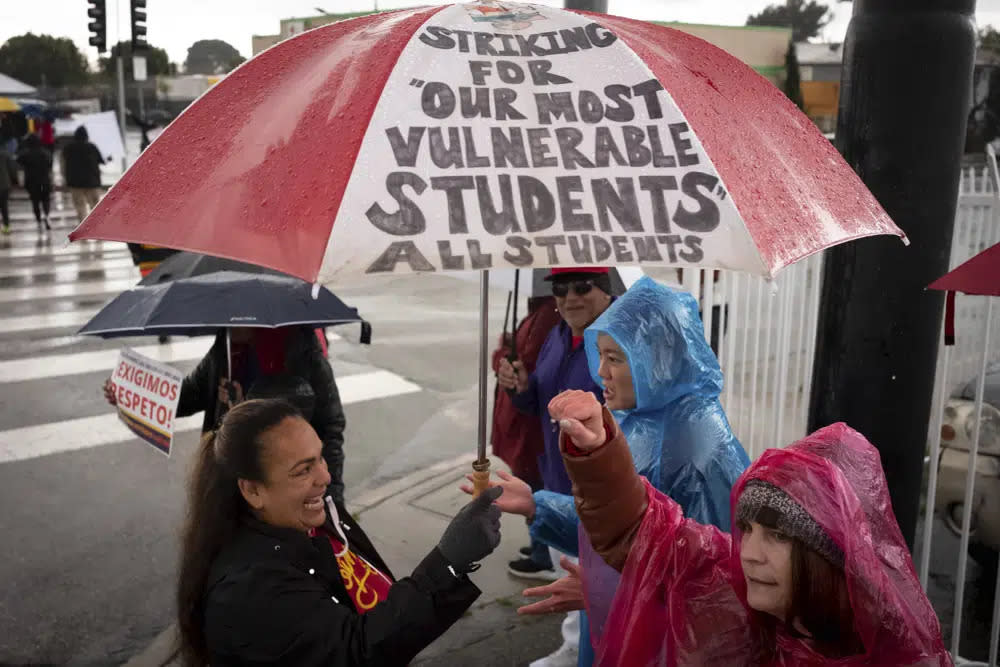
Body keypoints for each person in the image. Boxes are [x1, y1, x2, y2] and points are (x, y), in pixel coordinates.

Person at [548, 390, 951, 666]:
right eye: (748, 529)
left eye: (778, 535)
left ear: (830, 552)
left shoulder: (897, 648)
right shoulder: (731, 584)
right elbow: (648, 532)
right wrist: (598, 452)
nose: (751, 553)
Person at [468, 277, 749, 664]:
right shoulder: (639, 420)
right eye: (600, 355)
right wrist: (537, 505)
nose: (601, 372)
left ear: (657, 357)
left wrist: (606, 592)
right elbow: (615, 527)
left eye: (615, 358)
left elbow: (713, 586)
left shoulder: (699, 451)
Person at [176, 398, 503, 666]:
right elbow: (354, 651)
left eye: (319, 458)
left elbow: (380, 617)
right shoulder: (249, 590)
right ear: (252, 490)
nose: (325, 477)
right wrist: (448, 562)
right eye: (303, 470)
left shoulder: (314, 520)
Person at [496, 266, 613, 667]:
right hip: (558, 476)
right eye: (561, 289)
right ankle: (575, 645)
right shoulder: (558, 335)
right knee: (577, 572)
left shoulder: (617, 340)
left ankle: (588, 650)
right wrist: (520, 387)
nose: (569, 298)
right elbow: (540, 405)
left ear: (606, 289)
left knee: (597, 577)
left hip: (598, 485)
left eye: (582, 287)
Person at [103, 326, 348, 503]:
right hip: (227, 485)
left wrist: (332, 496)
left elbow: (330, 427)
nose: (229, 323)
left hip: (282, 492)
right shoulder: (225, 348)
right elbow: (188, 394)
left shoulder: (303, 353)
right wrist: (129, 393)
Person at [490, 293, 562, 578]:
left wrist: (502, 353)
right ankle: (540, 548)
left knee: (535, 486)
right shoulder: (543, 311)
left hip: (529, 426)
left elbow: (525, 363)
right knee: (534, 483)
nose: (570, 296)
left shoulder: (549, 313)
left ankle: (544, 556)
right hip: (525, 420)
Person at [61, 125, 104, 223]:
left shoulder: (68, 148)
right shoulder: (92, 147)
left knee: (80, 206)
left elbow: (63, 162)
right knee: (95, 205)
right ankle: (96, 225)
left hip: (75, 182)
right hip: (92, 182)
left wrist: (65, 178)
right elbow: (101, 160)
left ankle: (83, 225)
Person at [17, 134, 53, 232]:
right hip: (44, 181)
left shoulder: (25, 154)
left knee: (35, 202)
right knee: (46, 200)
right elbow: (50, 164)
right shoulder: (45, 153)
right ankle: (46, 215)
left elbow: (18, 162)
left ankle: (38, 221)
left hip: (32, 182)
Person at [0, 143, 17, 234]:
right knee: (4, 207)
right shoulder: (5, 154)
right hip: (4, 184)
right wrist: (15, 181)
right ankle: (6, 227)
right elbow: (12, 169)